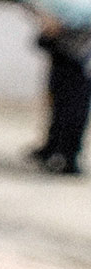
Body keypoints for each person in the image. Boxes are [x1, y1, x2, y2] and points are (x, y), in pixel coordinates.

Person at [31, 19, 90, 176]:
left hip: (81, 54)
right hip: (66, 50)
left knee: (74, 107)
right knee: (60, 103)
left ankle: (69, 157)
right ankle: (54, 147)